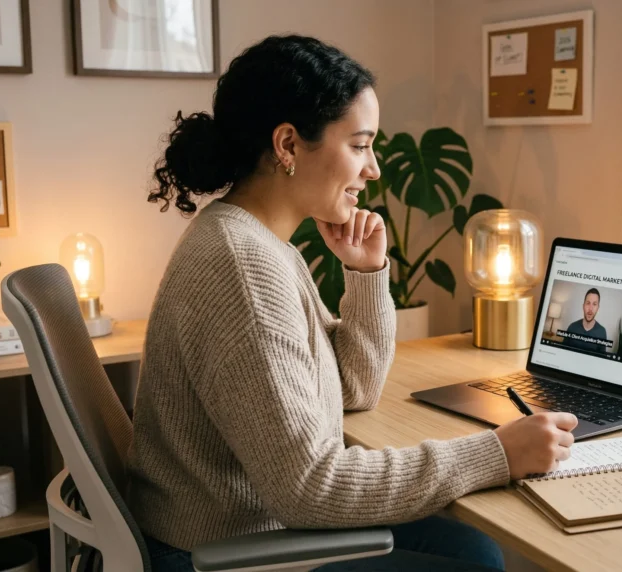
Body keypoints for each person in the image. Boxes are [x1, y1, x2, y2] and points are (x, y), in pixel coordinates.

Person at [126, 35, 578, 572]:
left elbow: (351, 388)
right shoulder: (243, 266)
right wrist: (496, 453)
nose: (374, 169)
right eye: (360, 146)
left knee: (473, 549)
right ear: (288, 145)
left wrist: (365, 274)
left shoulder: (256, 241)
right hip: (223, 550)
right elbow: (309, 488)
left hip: (248, 527)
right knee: (474, 562)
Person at [563, 288, 609, 353]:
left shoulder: (602, 332)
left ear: (598, 308)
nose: (590, 309)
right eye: (588, 303)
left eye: (594, 304)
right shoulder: (572, 327)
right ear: (583, 306)